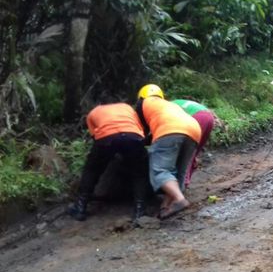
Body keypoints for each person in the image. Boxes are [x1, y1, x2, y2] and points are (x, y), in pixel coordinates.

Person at [67, 103, 149, 222]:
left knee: (92, 170)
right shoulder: (127, 107)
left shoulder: (93, 112)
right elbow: (139, 128)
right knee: (139, 172)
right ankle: (139, 211)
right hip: (133, 136)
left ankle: (80, 207)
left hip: (106, 137)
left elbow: (95, 137)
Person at [135, 84, 201, 219]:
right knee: (179, 170)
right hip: (194, 129)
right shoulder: (169, 104)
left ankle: (179, 199)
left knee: (160, 170)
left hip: (169, 129)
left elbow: (142, 131)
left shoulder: (144, 103)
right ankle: (166, 206)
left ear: (141, 97)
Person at [172, 99, 217, 188]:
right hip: (209, 118)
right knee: (194, 150)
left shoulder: (167, 106)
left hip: (197, 118)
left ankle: (183, 182)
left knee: (187, 152)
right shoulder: (176, 102)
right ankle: (186, 178)